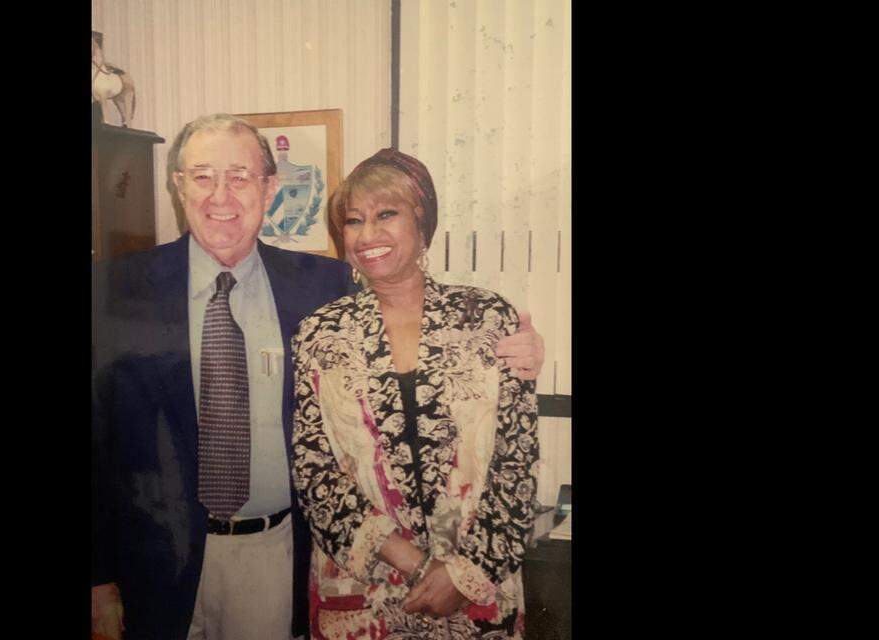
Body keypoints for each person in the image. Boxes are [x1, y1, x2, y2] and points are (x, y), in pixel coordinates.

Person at [91, 114, 545, 640]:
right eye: (201, 176)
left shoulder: (323, 288)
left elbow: (412, 316)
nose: (221, 195)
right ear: (177, 185)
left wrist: (526, 349)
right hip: (149, 561)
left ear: (269, 187)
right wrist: (97, 576)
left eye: (239, 176)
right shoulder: (112, 290)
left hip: (274, 553)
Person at [291, 148, 538, 639]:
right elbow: (313, 467)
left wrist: (460, 573)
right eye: (354, 221)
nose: (368, 234)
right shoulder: (321, 334)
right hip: (365, 590)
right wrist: (413, 562)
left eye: (387, 214)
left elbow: (516, 463)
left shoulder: (488, 320)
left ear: (421, 224)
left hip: (473, 588)